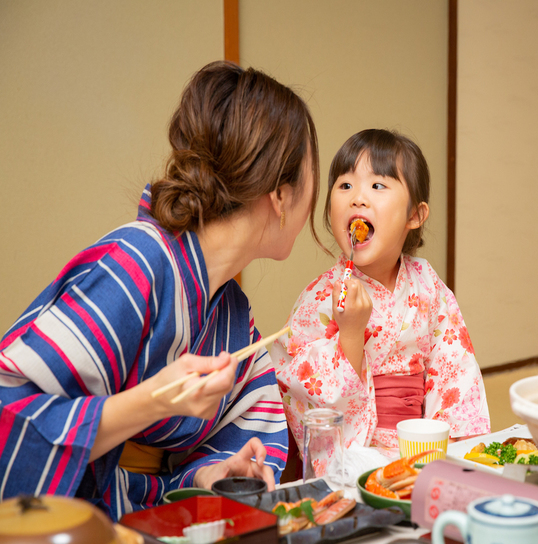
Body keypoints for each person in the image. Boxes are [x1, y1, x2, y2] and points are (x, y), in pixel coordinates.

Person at [0, 61, 319, 521]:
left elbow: (233, 443)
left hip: (133, 517)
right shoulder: (135, 263)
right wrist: (152, 401)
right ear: (281, 194)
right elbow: (10, 418)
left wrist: (212, 474)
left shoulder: (229, 308)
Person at [270, 129, 490, 460]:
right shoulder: (319, 297)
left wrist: (451, 451)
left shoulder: (427, 285)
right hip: (355, 454)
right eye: (345, 185)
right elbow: (299, 387)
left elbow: (456, 372)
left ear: (414, 216)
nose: (357, 197)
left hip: (421, 449)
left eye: (377, 185)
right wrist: (351, 334)